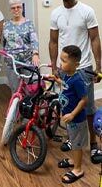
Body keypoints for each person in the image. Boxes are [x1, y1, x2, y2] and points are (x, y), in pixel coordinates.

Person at [49, 0, 102, 163]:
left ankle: (94, 144)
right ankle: (74, 141)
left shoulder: (86, 11)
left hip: (84, 67)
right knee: (69, 106)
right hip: (64, 69)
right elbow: (53, 41)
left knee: (87, 108)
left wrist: (99, 65)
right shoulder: (55, 14)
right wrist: (55, 65)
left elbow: (94, 38)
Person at [54, 45, 87, 184]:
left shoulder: (78, 80)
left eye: (64, 61)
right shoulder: (68, 76)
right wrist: (58, 81)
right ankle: (74, 160)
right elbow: (67, 87)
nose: (61, 63)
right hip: (70, 119)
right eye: (60, 60)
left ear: (76, 64)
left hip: (77, 119)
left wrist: (73, 114)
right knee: (73, 142)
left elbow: (84, 99)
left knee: (77, 144)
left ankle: (78, 169)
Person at [3, 0, 40, 93]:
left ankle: (27, 107)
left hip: (26, 62)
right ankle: (16, 108)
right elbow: (5, 43)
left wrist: (35, 54)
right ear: (10, 10)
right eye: (13, 8)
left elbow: (34, 40)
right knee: (15, 90)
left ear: (22, 8)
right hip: (12, 63)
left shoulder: (29, 24)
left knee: (29, 90)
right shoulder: (6, 25)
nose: (16, 10)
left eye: (18, 7)